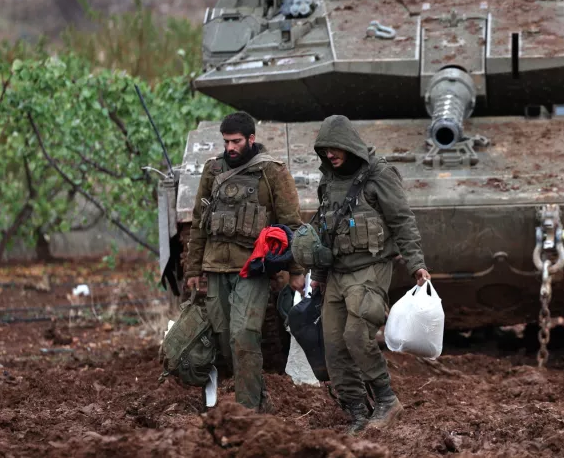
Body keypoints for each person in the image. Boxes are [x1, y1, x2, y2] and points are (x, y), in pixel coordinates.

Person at [306, 114, 430, 433]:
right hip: (336, 273)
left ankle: (387, 401)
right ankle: (358, 412)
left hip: (370, 268)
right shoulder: (328, 180)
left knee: (356, 334)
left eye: (335, 148)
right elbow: (324, 230)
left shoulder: (379, 175)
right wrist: (318, 274)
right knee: (333, 345)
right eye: (325, 149)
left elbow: (403, 220)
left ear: (349, 145)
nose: (330, 154)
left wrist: (417, 263)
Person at [184, 111, 305, 412]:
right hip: (215, 268)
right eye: (226, 142)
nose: (230, 148)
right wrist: (192, 268)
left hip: (252, 269)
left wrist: (296, 270)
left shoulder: (271, 172)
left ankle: (247, 410)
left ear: (251, 139)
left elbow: (291, 223)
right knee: (225, 340)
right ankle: (257, 395)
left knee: (245, 335)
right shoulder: (212, 171)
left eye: (236, 141)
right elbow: (200, 223)